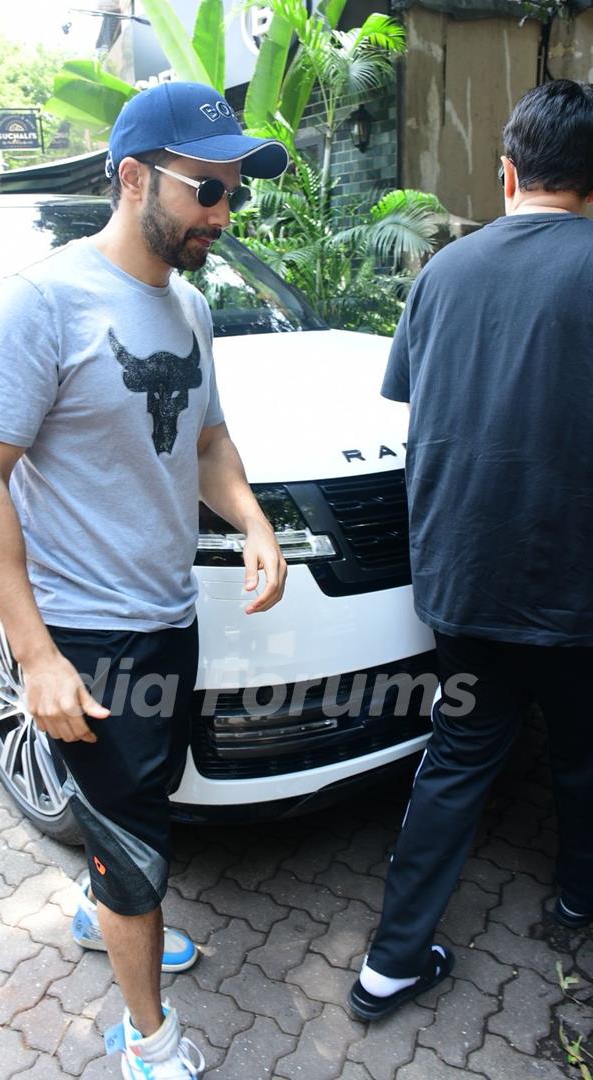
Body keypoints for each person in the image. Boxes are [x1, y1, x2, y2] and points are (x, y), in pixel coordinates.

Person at [0, 81, 289, 1077]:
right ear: (135, 177)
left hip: (168, 614)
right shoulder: (39, 303)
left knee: (138, 803)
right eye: (208, 191)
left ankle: (105, 906)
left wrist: (256, 522)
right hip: (86, 634)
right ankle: (150, 1038)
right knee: (138, 844)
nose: (224, 217)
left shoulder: (186, 304)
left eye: (234, 194)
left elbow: (210, 441)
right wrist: (35, 656)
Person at [347, 78, 593, 1022]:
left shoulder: (442, 274)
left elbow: (417, 403)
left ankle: (388, 965)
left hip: (462, 577)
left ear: (506, 174)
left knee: (457, 756)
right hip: (576, 587)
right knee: (580, 751)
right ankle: (577, 895)